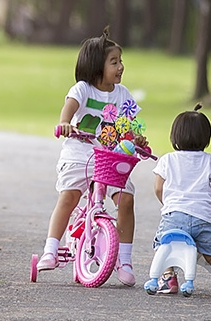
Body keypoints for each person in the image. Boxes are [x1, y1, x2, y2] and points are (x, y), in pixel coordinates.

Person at [37, 28, 142, 286]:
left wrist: (134, 139)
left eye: (121, 61)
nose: (121, 67)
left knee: (126, 199)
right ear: (97, 65)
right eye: (114, 62)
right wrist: (64, 123)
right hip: (79, 153)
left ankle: (125, 259)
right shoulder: (82, 89)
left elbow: (128, 126)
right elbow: (69, 108)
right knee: (70, 196)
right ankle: (51, 249)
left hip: (108, 156)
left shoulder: (123, 95)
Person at [143, 105, 211, 298]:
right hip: (202, 218)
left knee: (162, 246)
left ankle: (168, 277)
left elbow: (158, 187)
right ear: (206, 138)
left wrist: (168, 203)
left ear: (175, 136)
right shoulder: (209, 160)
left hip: (173, 216)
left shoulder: (167, 159)